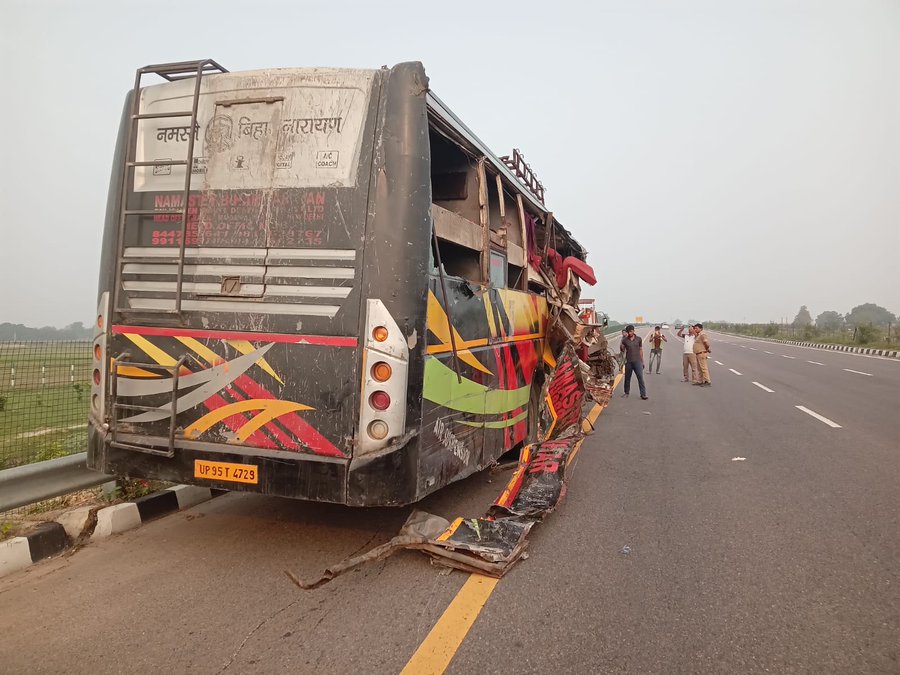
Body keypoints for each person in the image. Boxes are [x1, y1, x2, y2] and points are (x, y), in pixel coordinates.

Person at [619, 324, 648, 399]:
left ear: (633, 331)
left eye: (631, 331)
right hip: (628, 362)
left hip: (637, 361)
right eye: (628, 332)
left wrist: (642, 361)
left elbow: (641, 350)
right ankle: (626, 392)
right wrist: (621, 346)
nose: (630, 333)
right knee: (627, 378)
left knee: (640, 378)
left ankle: (643, 394)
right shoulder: (625, 340)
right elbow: (622, 350)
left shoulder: (639, 339)